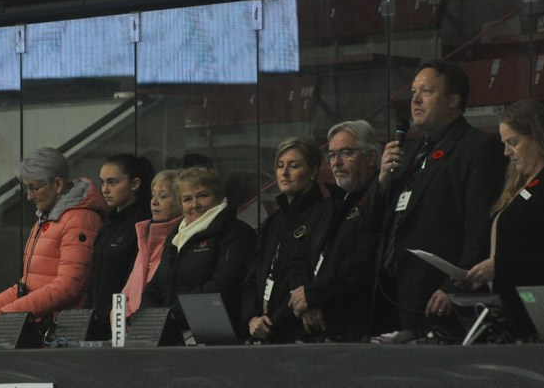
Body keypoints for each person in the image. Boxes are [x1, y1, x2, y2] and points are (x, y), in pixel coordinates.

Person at [365, 59, 506, 335]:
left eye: (427, 92)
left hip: (434, 297)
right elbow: (370, 222)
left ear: (453, 100)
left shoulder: (477, 148)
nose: (415, 100)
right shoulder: (408, 152)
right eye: (413, 92)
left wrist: (454, 286)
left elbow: (479, 228)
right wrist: (382, 181)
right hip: (388, 292)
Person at [462, 100, 544, 338]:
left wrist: (500, 267)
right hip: (522, 315)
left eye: (514, 142)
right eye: (504, 144)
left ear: (538, 137)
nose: (507, 152)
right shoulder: (524, 185)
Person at [288, 120, 381, 341]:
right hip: (318, 326)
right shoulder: (330, 205)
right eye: (331, 155)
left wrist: (313, 295)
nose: (336, 162)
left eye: (346, 153)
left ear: (371, 157)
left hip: (358, 329)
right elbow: (298, 256)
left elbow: (362, 262)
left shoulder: (376, 202)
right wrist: (305, 300)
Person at [0, 147, 107, 320]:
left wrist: (8, 314)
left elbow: (69, 286)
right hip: (43, 322)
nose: (29, 196)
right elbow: (27, 286)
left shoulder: (79, 218)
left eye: (34, 188)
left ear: (58, 184)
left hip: (62, 329)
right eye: (27, 188)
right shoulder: (49, 217)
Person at [141, 167, 256, 339]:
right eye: (187, 199)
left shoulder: (236, 233)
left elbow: (223, 284)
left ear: (217, 196)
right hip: (170, 333)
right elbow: (155, 285)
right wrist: (152, 318)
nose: (195, 204)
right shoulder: (176, 237)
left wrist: (171, 316)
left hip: (215, 338)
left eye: (202, 195)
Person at [242, 137, 324, 343]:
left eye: (293, 166)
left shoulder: (322, 214)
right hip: (263, 330)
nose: (284, 172)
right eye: (280, 166)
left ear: (313, 172)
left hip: (297, 331)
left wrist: (273, 322)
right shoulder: (273, 221)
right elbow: (252, 275)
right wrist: (252, 317)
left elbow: (308, 273)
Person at [87, 153, 154, 318]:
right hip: (98, 320)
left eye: (112, 182)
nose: (105, 189)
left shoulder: (143, 226)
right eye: (102, 182)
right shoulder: (107, 227)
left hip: (123, 321)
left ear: (135, 184)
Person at [120, 169, 183, 318]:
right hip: (131, 333)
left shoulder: (181, 241)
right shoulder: (145, 237)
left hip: (157, 329)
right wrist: (121, 323)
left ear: (181, 201)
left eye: (163, 196)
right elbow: (126, 294)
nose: (154, 201)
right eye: (153, 195)